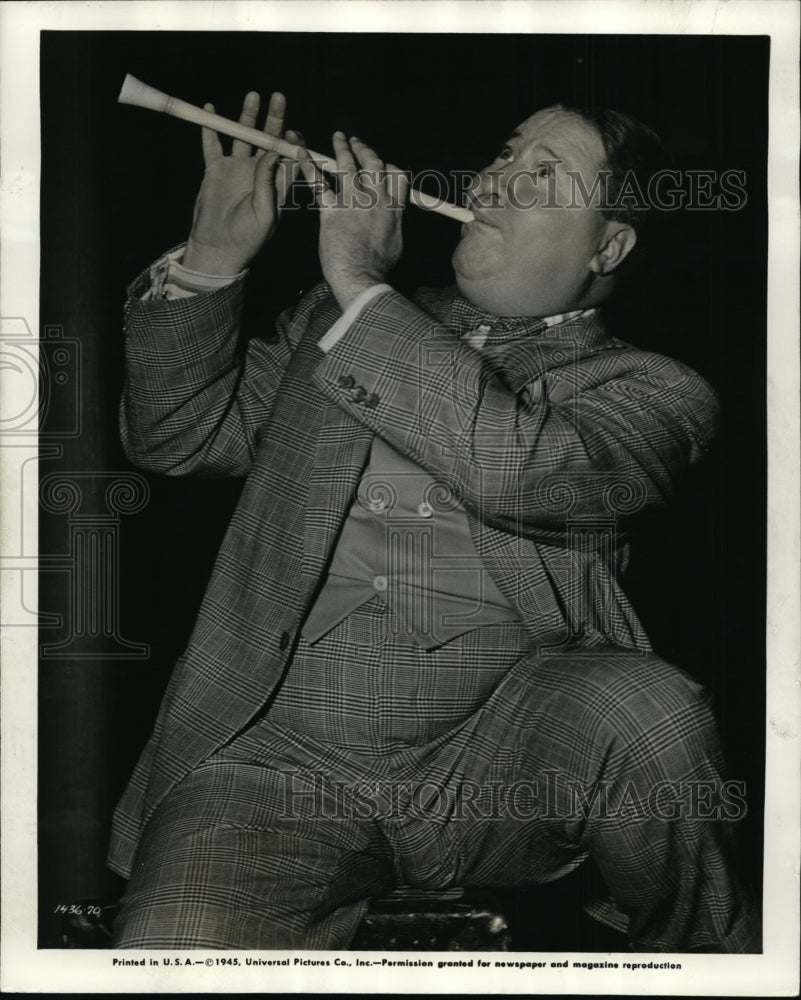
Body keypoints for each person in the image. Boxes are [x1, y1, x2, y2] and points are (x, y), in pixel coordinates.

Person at [108, 91, 758, 951]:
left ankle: (712, 960)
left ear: (608, 244)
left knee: (648, 712)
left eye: (543, 175)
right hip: (276, 756)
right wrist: (211, 261)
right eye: (502, 155)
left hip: (497, 752)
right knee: (175, 948)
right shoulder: (325, 323)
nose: (493, 183)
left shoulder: (652, 390)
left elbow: (521, 470)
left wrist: (359, 283)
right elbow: (176, 436)